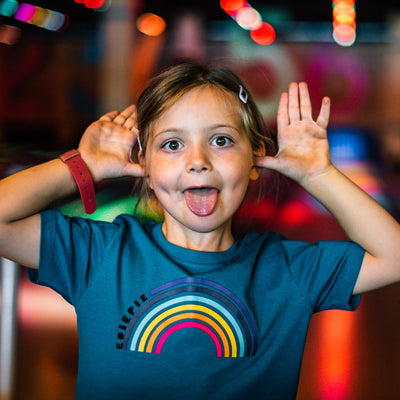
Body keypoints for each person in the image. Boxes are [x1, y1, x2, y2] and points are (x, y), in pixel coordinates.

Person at [0, 62, 400, 400]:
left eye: (221, 140)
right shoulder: (99, 254)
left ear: (255, 158)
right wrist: (83, 164)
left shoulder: (288, 270)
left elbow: (393, 256)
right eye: (172, 145)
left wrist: (318, 174)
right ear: (147, 169)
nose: (198, 161)